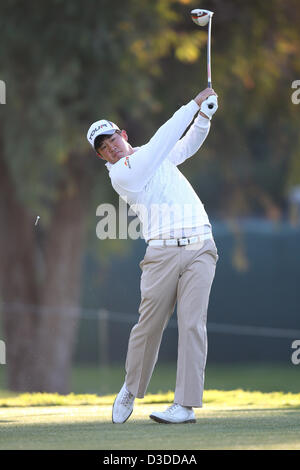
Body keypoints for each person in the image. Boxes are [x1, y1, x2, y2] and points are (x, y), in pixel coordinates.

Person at [86, 88, 219, 424]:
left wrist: (204, 117)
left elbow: (185, 146)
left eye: (112, 139)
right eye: (103, 148)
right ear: (102, 158)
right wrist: (192, 105)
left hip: (201, 245)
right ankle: (131, 388)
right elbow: (164, 140)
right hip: (161, 252)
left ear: (123, 134)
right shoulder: (122, 174)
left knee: (193, 325)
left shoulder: (151, 154)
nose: (110, 148)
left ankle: (185, 406)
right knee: (150, 326)